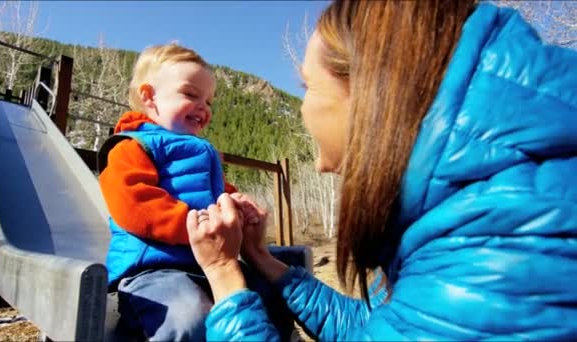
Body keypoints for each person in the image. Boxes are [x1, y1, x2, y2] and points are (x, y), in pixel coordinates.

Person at [187, 1, 577, 341]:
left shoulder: (493, 255)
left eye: (307, 87)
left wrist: (224, 275)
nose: (303, 109)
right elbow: (378, 327)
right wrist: (261, 257)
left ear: (370, 93)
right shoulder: (475, 209)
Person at [97, 43, 292, 341]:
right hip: (154, 269)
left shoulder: (201, 151)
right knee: (187, 316)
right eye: (190, 94)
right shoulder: (132, 146)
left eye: (209, 100)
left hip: (209, 264)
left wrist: (235, 206)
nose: (204, 107)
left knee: (270, 296)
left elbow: (215, 193)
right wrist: (198, 228)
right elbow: (133, 205)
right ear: (149, 97)